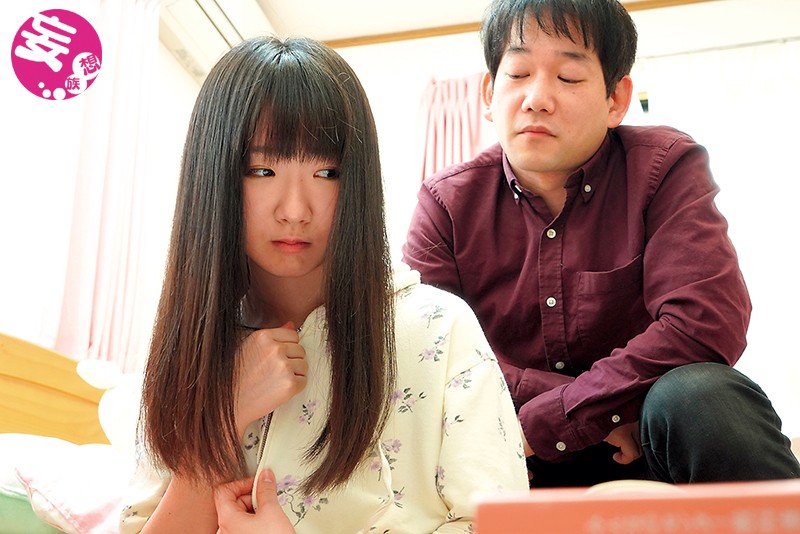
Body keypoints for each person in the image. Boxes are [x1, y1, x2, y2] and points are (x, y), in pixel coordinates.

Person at [119, 36, 528, 533]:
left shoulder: (439, 329)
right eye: (262, 170)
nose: (295, 209)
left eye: (326, 172)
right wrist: (224, 419)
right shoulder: (193, 346)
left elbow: (505, 526)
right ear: (214, 177)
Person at [403, 0, 800, 488]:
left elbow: (704, 321)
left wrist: (560, 413)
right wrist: (590, 409)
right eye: (518, 74)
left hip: (644, 446)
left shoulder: (663, 167)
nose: (536, 99)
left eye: (568, 77)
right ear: (489, 93)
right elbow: (429, 353)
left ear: (616, 99)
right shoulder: (446, 202)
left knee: (701, 394)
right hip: (512, 452)